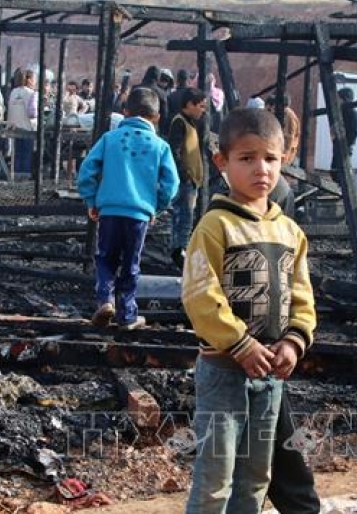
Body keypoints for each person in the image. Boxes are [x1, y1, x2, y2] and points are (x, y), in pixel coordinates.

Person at [182, 108, 317, 513]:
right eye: (247, 158)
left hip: (271, 373)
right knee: (216, 474)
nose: (261, 169)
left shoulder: (289, 232)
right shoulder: (216, 225)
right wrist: (239, 343)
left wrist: (294, 342)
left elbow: (302, 296)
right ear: (222, 162)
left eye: (271, 158)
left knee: (257, 474)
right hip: (224, 368)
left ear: (283, 160)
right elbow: (199, 294)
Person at [76, 87, 179, 331]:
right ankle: (127, 314)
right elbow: (171, 184)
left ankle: (105, 300)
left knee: (105, 258)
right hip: (139, 214)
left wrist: (92, 201)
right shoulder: (160, 145)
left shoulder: (109, 139)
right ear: (157, 117)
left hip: (109, 211)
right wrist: (156, 206)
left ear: (125, 111)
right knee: (131, 264)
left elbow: (86, 172)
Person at [167, 87, 209, 270]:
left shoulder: (190, 123)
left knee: (184, 216)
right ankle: (179, 252)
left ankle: (180, 249)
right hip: (186, 180)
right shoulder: (180, 123)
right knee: (184, 217)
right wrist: (185, 176)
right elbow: (175, 151)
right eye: (200, 106)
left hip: (191, 179)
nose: (203, 110)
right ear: (189, 105)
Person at [7, 69, 39, 177]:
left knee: (17, 153)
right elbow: (32, 114)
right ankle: (25, 176)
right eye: (34, 79)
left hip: (14, 127)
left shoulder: (13, 92)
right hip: (27, 128)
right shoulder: (32, 93)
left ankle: (15, 174)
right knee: (26, 153)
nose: (35, 82)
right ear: (29, 80)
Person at [338, 88, 357, 164]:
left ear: (345, 99)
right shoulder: (341, 112)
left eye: (339, 99)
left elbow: (354, 132)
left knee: (341, 167)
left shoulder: (352, 114)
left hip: (345, 145)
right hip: (340, 145)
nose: (338, 101)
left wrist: (346, 143)